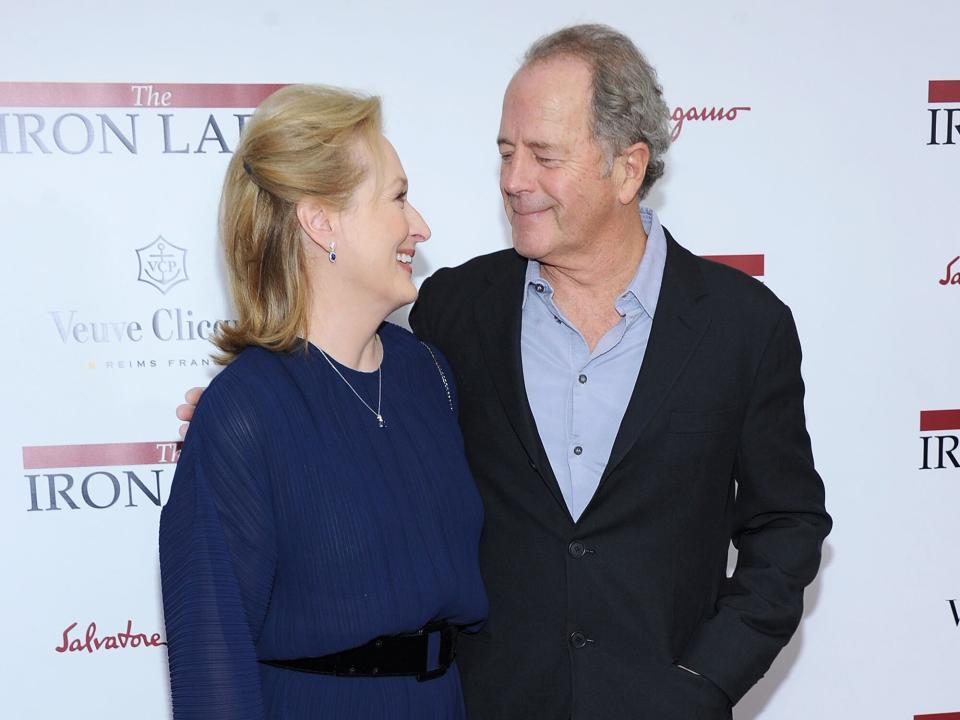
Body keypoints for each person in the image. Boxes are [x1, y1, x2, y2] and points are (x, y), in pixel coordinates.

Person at [179, 24, 831, 720]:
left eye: (544, 156)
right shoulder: (453, 313)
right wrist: (247, 428)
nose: (515, 180)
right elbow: (358, 428)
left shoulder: (743, 325)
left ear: (627, 168)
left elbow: (786, 527)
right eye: (506, 152)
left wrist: (703, 682)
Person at [159, 84, 487, 720]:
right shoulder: (245, 411)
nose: (420, 226)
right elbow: (211, 666)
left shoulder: (430, 375)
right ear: (321, 222)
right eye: (396, 196)